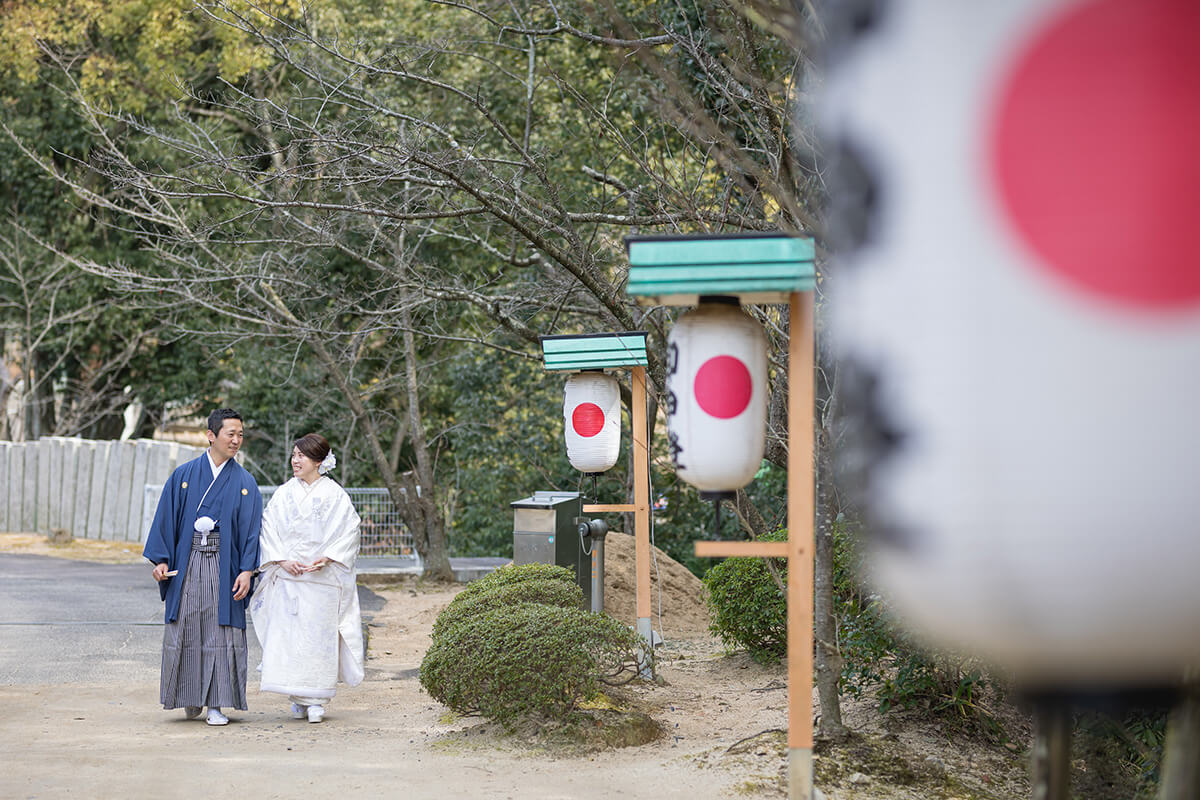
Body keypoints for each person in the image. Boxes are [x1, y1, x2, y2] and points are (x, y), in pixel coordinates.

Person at [143, 408, 263, 726]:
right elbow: (166, 521)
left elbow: (252, 531)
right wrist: (162, 561)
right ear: (211, 435)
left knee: (219, 631)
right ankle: (189, 696)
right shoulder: (183, 476)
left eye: (240, 434)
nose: (236, 440)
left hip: (226, 565)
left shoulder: (245, 483)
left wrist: (247, 570)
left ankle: (217, 704)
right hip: (189, 563)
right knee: (188, 624)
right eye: (230, 434)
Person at [250, 433, 364, 723]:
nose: (295, 460)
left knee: (317, 640)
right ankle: (298, 696)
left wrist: (328, 557)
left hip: (321, 580)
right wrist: (281, 560)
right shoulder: (285, 492)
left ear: (319, 461)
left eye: (301, 455)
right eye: (294, 455)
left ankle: (316, 699)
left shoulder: (334, 494)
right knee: (290, 640)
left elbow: (349, 530)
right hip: (290, 578)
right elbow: (269, 527)